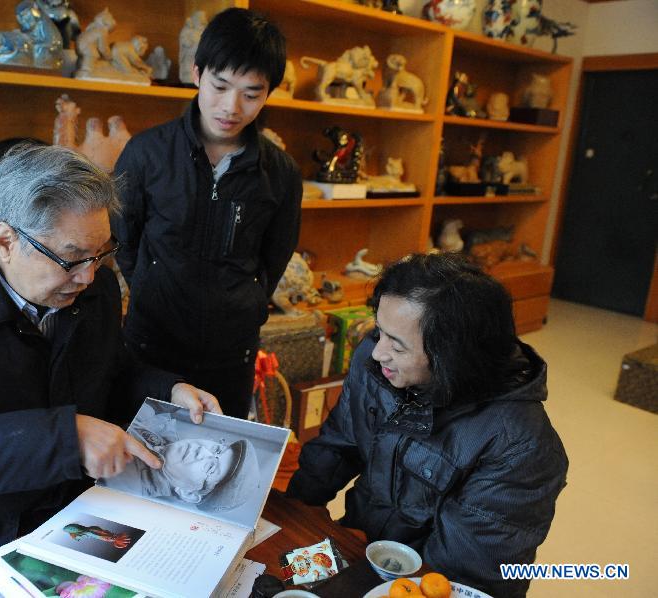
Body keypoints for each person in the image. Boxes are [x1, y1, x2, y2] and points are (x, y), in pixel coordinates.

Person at [0, 144, 220, 597]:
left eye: (101, 252)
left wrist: (170, 388)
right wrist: (67, 437)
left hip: (71, 501)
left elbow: (111, 368)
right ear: (6, 240)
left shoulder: (91, 286)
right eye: (72, 257)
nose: (89, 276)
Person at [286, 253, 568, 598]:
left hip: (424, 582)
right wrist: (290, 519)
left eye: (398, 345)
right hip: (360, 547)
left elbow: (461, 576)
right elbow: (337, 444)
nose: (377, 353)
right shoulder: (380, 363)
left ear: (452, 357)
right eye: (380, 331)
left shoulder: (519, 445)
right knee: (270, 575)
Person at [112, 8, 302, 419]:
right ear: (197, 74)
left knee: (217, 464)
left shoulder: (281, 172)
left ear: (269, 92)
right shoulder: (146, 153)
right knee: (140, 464)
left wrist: (246, 301)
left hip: (231, 353)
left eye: (251, 94)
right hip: (152, 345)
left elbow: (275, 255)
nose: (231, 107)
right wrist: (153, 284)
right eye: (220, 86)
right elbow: (123, 238)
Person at [111, 401, 260, 511]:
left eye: (210, 468)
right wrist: (174, 390)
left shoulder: (125, 482)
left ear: (188, 493)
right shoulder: (167, 430)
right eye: (217, 449)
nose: (203, 451)